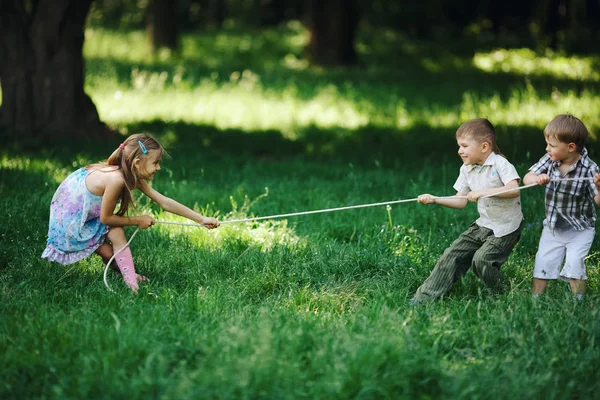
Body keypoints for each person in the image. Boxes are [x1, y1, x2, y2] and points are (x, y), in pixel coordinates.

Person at [42, 133, 219, 293]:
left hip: (89, 214)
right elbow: (106, 218)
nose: (158, 168)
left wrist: (201, 219)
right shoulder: (116, 180)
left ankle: (131, 281)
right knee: (109, 253)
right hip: (72, 220)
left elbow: (164, 202)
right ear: (137, 163)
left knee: (117, 233)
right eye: (156, 163)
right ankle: (130, 279)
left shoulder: (130, 173)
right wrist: (137, 220)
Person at [410, 118, 524, 304]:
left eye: (464, 146)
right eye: (458, 146)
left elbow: (514, 190)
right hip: (484, 224)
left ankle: (503, 296)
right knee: (452, 254)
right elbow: (460, 200)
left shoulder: (501, 165)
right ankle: (424, 299)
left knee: (481, 260)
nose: (459, 151)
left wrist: (482, 193)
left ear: (484, 147)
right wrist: (434, 199)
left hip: (506, 227)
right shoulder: (466, 169)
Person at [523, 114, 600, 301]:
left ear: (571, 147)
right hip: (553, 227)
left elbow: (598, 201)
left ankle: (577, 302)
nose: (547, 148)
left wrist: (598, 187)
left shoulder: (590, 169)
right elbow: (527, 178)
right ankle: (536, 300)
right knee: (543, 263)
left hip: (580, 229)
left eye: (552, 145)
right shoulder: (549, 160)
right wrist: (537, 178)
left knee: (575, 263)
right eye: (547, 144)